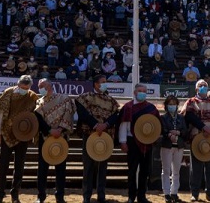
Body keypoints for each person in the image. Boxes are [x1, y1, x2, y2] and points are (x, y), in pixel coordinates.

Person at [0, 75, 39, 203]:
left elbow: (34, 116)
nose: (24, 89)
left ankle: (15, 194)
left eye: (27, 87)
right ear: (18, 84)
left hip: (24, 134)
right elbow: (1, 113)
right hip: (6, 133)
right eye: (22, 87)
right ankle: (0, 194)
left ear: (30, 86)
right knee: (3, 165)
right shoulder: (8, 92)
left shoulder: (32, 96)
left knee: (19, 167)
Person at [76, 74, 120, 203]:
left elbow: (115, 115)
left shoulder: (111, 100)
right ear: (96, 84)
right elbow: (82, 113)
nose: (105, 84)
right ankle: (86, 196)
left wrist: (105, 125)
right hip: (89, 135)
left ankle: (101, 195)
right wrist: (95, 125)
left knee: (103, 167)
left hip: (104, 137)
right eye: (103, 82)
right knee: (88, 167)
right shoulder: (85, 97)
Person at [34, 78, 76, 203]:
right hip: (45, 138)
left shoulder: (64, 98)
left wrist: (60, 129)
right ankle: (41, 196)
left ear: (49, 86)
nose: (40, 88)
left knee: (61, 169)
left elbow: (69, 113)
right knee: (42, 168)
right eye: (39, 86)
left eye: (42, 86)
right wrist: (49, 130)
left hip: (61, 137)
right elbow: (39, 119)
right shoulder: (39, 101)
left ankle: (60, 196)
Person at [119, 84, 161, 203]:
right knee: (132, 170)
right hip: (132, 141)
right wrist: (123, 142)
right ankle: (131, 196)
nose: (142, 93)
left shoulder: (151, 108)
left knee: (145, 170)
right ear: (135, 93)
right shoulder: (128, 107)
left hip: (147, 142)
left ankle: (142, 196)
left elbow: (156, 125)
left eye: (144, 91)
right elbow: (123, 125)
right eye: (140, 91)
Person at [182, 79, 210, 202]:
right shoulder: (191, 102)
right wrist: (203, 127)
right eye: (201, 86)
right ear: (196, 89)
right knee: (196, 168)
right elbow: (188, 116)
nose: (203, 87)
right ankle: (194, 193)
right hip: (196, 138)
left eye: (205, 86)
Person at [161, 95, 188, 203]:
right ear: (166, 105)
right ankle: (166, 193)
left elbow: (185, 131)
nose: (172, 106)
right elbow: (163, 129)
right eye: (170, 104)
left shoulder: (181, 118)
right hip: (167, 146)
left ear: (177, 105)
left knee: (176, 171)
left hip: (179, 147)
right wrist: (169, 134)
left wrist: (179, 132)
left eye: (174, 104)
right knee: (166, 170)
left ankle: (174, 192)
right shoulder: (163, 117)